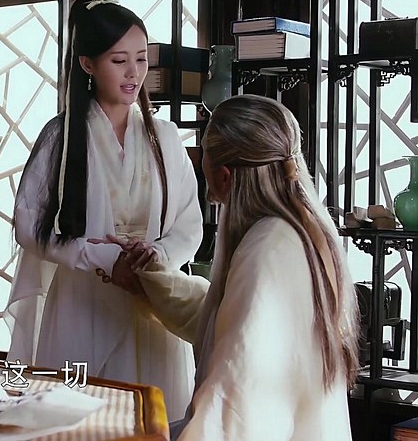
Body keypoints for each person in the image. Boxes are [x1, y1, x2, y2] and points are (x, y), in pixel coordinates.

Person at [3, 0, 203, 417]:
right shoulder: (61, 137)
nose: (134, 72)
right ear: (87, 64)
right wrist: (100, 258)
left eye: (142, 59)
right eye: (119, 60)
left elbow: (189, 225)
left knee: (150, 420)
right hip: (82, 303)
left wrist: (156, 256)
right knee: (76, 419)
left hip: (153, 304)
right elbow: (28, 225)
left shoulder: (165, 138)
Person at [121, 94, 359, 440]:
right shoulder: (301, 230)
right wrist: (150, 279)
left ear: (224, 177)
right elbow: (226, 321)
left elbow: (236, 394)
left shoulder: (268, 248)